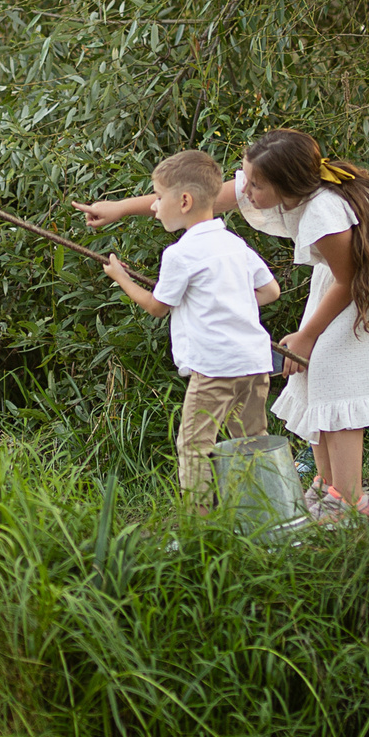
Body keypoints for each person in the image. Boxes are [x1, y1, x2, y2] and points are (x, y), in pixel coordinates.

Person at [78, 129, 369, 521]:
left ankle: (349, 499)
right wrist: (120, 207)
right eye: (245, 177)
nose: (245, 190)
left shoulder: (323, 211)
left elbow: (350, 278)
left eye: (254, 184)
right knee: (313, 375)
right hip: (345, 269)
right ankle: (326, 484)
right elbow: (197, 196)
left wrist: (307, 336)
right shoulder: (276, 184)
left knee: (339, 376)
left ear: (284, 185)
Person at [97, 149, 280, 505]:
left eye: (158, 197)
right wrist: (228, 301)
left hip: (215, 368)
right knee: (252, 439)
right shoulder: (234, 244)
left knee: (195, 445)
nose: (153, 206)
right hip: (255, 363)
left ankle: (202, 525)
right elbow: (270, 291)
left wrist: (120, 278)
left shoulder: (180, 254)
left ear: (183, 200)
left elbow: (156, 307)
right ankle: (262, 511)